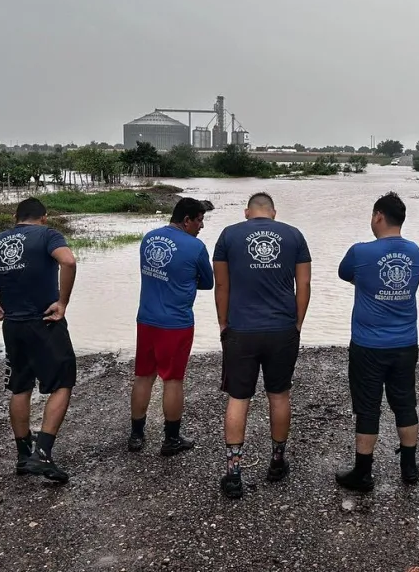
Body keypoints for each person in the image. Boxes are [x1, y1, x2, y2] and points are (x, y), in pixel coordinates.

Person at [0, 197, 78, 483]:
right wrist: (62, 302)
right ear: (44, 217)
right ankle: (43, 454)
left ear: (15, 216)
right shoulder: (49, 235)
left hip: (12, 325)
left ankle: (23, 455)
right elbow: (68, 260)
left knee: (20, 386)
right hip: (46, 322)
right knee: (62, 383)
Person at [214, 192, 311, 499]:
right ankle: (277, 462)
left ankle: (233, 473)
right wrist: (297, 322)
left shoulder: (228, 235)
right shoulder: (294, 235)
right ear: (273, 213)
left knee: (239, 398)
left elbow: (222, 285)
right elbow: (304, 284)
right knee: (279, 394)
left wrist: (222, 323)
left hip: (241, 329)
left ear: (247, 212)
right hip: (282, 328)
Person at [335, 192, 419, 492]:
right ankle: (409, 467)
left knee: (368, 407)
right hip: (405, 342)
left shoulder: (360, 252)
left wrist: (368, 284)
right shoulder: (415, 252)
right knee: (405, 403)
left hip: (368, 344)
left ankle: (363, 473)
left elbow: (343, 273)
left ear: (378, 216)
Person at [128, 197, 214, 455]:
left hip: (146, 319)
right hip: (176, 323)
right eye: (199, 220)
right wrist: (186, 280)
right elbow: (208, 282)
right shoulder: (196, 246)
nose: (201, 226)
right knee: (173, 380)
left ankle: (136, 436)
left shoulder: (149, 238)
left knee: (143, 376)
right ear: (186, 220)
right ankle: (171, 439)